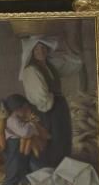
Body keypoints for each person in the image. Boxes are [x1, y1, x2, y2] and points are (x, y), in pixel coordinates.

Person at [19, 36, 72, 168]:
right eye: (37, 49)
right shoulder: (30, 70)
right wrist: (52, 99)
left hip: (58, 107)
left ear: (47, 50)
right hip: (45, 110)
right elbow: (40, 96)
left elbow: (75, 64)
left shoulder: (50, 66)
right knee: (50, 140)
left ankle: (62, 169)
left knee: (63, 138)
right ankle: (49, 172)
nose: (40, 51)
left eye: (43, 48)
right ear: (32, 52)